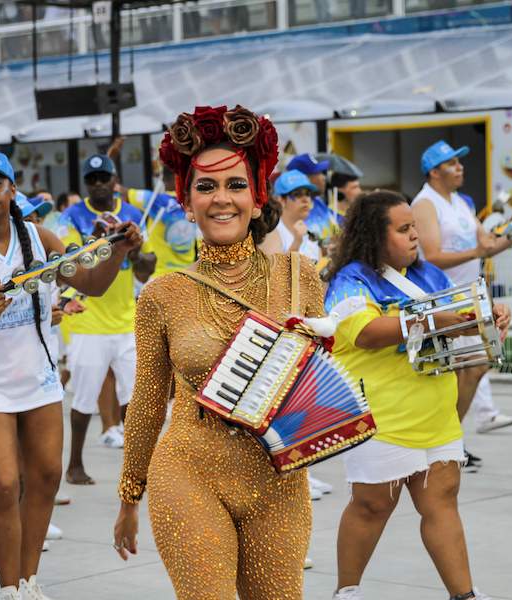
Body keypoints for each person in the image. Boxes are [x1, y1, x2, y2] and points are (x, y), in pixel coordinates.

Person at [113, 105, 324, 599]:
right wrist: (129, 495)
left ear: (258, 197)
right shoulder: (163, 293)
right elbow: (148, 401)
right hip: (188, 472)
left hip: (280, 481)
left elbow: (321, 379)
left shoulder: (299, 277)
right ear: (187, 202)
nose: (221, 199)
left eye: (235, 185)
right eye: (206, 187)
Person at [0, 148, 140, 600]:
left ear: (12, 190)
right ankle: (8, 587)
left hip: (39, 380)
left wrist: (119, 252)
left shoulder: (39, 237)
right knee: (4, 483)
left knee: (47, 476)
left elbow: (92, 285)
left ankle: (29, 581)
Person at [326, 191, 507, 600]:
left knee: (442, 502)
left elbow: (462, 314)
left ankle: (464, 595)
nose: (415, 235)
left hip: (436, 415)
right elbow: (365, 333)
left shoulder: (429, 275)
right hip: (380, 418)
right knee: (372, 507)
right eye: (403, 228)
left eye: (415, 227)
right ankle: (346, 592)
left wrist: (490, 317)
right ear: (375, 234)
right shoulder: (351, 279)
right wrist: (430, 320)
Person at [411, 140, 512, 470]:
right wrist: (477, 252)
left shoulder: (459, 202)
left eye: (460, 162)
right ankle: (444, 441)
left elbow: (486, 243)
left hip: (467, 297)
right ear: (434, 172)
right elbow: (432, 256)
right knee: (458, 372)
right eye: (452, 163)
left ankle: (448, 438)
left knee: (476, 366)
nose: (460, 168)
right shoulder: (425, 204)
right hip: (440, 297)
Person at [60, 154, 154, 485]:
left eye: (104, 178)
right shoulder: (73, 216)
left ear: (115, 180)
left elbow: (145, 267)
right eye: (92, 179)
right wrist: (100, 240)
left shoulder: (133, 215)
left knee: (134, 399)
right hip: (89, 321)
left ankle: (137, 469)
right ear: (86, 183)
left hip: (126, 320)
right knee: (84, 400)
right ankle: (74, 465)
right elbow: (70, 263)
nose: (99, 184)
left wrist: (133, 247)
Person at [259, 169, 321, 261]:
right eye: (297, 194)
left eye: (308, 194)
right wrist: (297, 242)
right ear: (280, 200)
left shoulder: (310, 231)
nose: (305, 199)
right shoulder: (272, 232)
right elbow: (273, 269)